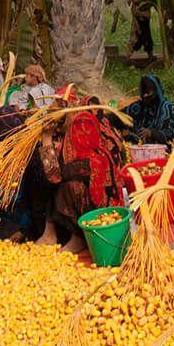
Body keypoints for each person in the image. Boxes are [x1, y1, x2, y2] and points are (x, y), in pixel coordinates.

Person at [42, 100, 121, 254]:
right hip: (110, 205)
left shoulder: (84, 159)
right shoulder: (101, 137)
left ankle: (79, 237)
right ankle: (50, 232)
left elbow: (54, 176)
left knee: (68, 187)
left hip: (101, 215)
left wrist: (46, 138)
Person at [124, 74, 174, 149]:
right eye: (143, 93)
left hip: (167, 153)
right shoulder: (140, 106)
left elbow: (168, 135)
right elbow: (121, 115)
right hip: (142, 149)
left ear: (156, 91)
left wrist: (151, 133)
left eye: (148, 92)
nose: (145, 96)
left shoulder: (168, 109)